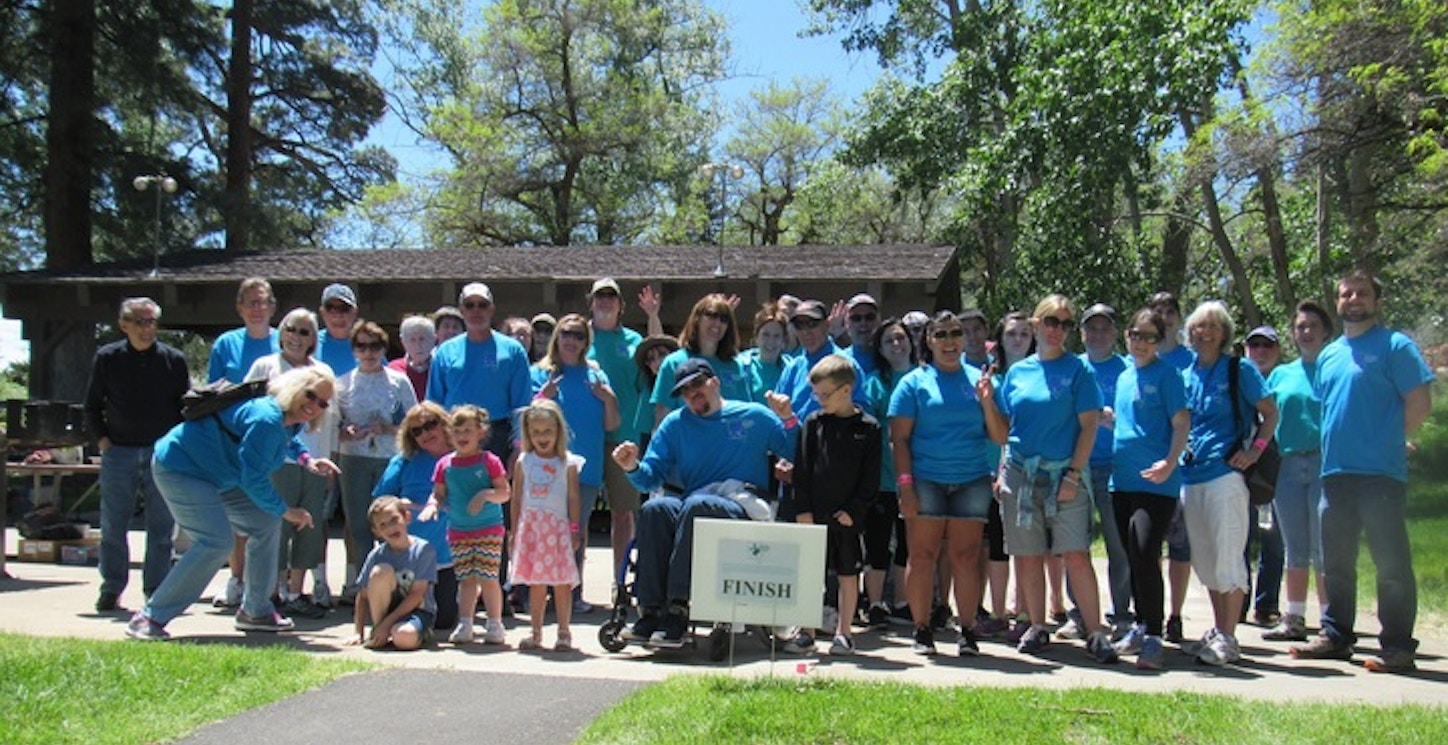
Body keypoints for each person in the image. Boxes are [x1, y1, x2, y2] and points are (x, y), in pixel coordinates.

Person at [125, 367, 341, 641]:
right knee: (216, 541)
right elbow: (254, 479)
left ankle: (256, 611)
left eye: (322, 403)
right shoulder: (267, 418)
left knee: (264, 521)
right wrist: (287, 510)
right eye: (310, 396)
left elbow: (287, 440)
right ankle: (150, 616)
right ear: (295, 388)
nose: (313, 407)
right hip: (182, 469)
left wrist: (307, 461)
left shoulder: (285, 419)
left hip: (221, 475)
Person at [1290, 269, 1434, 673]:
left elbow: (1420, 402)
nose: (1353, 299)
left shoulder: (1395, 346)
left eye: (1362, 293)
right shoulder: (1331, 353)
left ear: (1377, 300)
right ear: (1337, 303)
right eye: (1346, 293)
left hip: (1380, 475)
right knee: (1335, 561)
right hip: (1335, 473)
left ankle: (1398, 645)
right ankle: (1337, 636)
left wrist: (1387, 439)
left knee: (1390, 563)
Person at [611, 359, 798, 648]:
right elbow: (649, 479)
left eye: (697, 385)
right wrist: (632, 466)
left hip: (741, 505)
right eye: (685, 391)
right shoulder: (675, 424)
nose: (692, 394)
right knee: (655, 508)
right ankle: (650, 610)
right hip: (694, 505)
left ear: (715, 382)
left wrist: (788, 418)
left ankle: (678, 608)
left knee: (697, 505)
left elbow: (796, 451)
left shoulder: (755, 416)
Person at [986, 295, 1118, 663]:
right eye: (1050, 322)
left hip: (1065, 474)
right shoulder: (1017, 373)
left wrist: (1074, 475)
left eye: (1064, 324)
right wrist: (985, 401)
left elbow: (1089, 426)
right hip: (1021, 473)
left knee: (1075, 555)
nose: (1057, 330)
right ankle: (1038, 626)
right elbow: (1002, 434)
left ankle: (1095, 632)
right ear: (1036, 324)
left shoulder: (1079, 370)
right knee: (1027, 556)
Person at [889, 311, 1005, 657]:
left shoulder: (982, 380)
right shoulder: (913, 383)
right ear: (929, 340)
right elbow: (899, 440)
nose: (950, 341)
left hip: (971, 480)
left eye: (956, 333)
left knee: (966, 557)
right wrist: (906, 487)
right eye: (941, 334)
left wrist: (986, 401)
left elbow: (1000, 435)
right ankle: (922, 629)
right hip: (925, 480)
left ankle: (966, 629)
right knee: (922, 555)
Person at [1178, 300, 1278, 666]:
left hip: (1226, 475)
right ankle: (1219, 629)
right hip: (1192, 476)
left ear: (1224, 334)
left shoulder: (1240, 370)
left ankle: (1230, 636)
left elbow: (1270, 413)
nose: (1205, 333)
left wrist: (1254, 451)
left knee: (1228, 555)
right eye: (1199, 327)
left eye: (1213, 327)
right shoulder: (1186, 373)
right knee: (1205, 558)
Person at [84, 297, 190, 613]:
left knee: (161, 530)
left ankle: (156, 593)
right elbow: (92, 405)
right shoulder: (108, 358)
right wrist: (103, 441)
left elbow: (185, 408)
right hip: (120, 453)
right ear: (124, 324)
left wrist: (178, 448)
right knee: (113, 526)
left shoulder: (173, 360)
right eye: (140, 322)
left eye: (152, 322)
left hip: (162, 454)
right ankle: (111, 588)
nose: (147, 329)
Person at [1107, 308, 1190, 670]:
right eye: (1135, 335)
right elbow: (1130, 423)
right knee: (1131, 555)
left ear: (1160, 340)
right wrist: (1108, 420)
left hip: (1156, 482)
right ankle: (1141, 625)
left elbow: (1181, 421)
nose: (1141, 343)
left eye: (1149, 337)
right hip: (1120, 479)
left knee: (1144, 550)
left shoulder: (1168, 375)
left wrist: (1171, 461)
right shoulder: (1126, 375)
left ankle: (1155, 636)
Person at [244, 307, 336, 619]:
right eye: (292, 329)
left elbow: (324, 421)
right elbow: (248, 408)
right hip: (271, 462)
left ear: (313, 338)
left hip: (309, 460)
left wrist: (316, 460)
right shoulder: (265, 366)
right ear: (281, 332)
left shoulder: (322, 371)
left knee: (308, 526)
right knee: (275, 525)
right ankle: (271, 593)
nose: (297, 337)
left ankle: (297, 592)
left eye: (305, 331)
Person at [788, 355, 882, 656]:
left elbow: (870, 478)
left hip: (847, 517)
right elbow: (802, 470)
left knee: (847, 573)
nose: (819, 400)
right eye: (816, 394)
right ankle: (806, 629)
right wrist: (802, 510)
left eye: (825, 394)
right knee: (810, 572)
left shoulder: (868, 428)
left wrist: (854, 510)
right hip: (813, 513)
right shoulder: (814, 423)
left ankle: (844, 631)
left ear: (846, 389)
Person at [531, 313, 620, 613]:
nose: (572, 340)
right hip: (546, 467)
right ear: (558, 336)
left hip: (586, 469)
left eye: (579, 336)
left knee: (575, 530)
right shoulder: (541, 373)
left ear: (586, 341)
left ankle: (572, 591)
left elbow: (612, 425)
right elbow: (527, 421)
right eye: (567, 333)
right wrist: (544, 397)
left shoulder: (596, 375)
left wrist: (608, 399)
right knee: (544, 529)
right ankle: (539, 591)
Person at [206, 277, 280, 609]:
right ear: (239, 307)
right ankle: (236, 580)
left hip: (272, 439)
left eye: (263, 302)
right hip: (233, 440)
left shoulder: (285, 340)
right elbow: (214, 392)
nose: (257, 308)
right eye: (250, 302)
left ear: (273, 307)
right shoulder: (225, 344)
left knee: (270, 512)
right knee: (239, 515)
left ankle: (267, 587)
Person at [1260, 301, 1332, 643]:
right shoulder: (1281, 374)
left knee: (1324, 547)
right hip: (1286, 465)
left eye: (1312, 326)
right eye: (1300, 326)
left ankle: (1332, 622)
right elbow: (1264, 418)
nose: (1305, 332)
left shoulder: (1334, 369)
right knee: (1294, 546)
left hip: (1324, 462)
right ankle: (1295, 616)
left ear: (1325, 332)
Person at [336, 321, 419, 603]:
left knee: (391, 524)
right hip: (354, 459)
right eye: (362, 346)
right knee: (359, 526)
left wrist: (389, 429)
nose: (369, 352)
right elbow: (333, 426)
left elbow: (415, 424)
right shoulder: (344, 383)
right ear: (354, 350)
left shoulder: (398, 381)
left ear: (384, 348)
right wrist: (345, 432)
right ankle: (363, 588)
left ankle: (395, 587)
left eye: (375, 346)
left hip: (389, 459)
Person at [421, 404, 511, 644]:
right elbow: (438, 494)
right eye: (457, 431)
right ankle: (466, 624)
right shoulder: (445, 464)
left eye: (468, 431)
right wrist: (432, 505)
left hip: (489, 529)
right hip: (459, 530)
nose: (462, 437)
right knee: (466, 579)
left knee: (488, 577)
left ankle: (495, 624)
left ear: (480, 432)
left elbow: (504, 493)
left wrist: (484, 496)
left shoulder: (489, 461)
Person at [1071, 302, 1132, 639]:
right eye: (1091, 328)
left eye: (1104, 327)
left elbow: (1141, 420)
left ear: (1115, 333)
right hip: (1075, 467)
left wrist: (1114, 421)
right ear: (1081, 333)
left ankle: (1122, 612)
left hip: (1114, 467)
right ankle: (1078, 613)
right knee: (1074, 542)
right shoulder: (1073, 367)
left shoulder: (1127, 370)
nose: (1097, 334)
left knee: (1118, 544)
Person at [373, 401, 459, 632]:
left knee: (444, 623)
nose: (425, 434)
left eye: (430, 425)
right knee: (404, 614)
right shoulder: (404, 460)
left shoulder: (462, 459)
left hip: (447, 557)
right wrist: (400, 506)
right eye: (416, 431)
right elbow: (380, 502)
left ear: (444, 424)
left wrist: (420, 506)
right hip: (408, 556)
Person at [426, 282, 531, 462]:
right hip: (455, 435)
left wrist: (519, 448)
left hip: (498, 436)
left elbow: (522, 406)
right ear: (462, 310)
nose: (476, 311)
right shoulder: (445, 351)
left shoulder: (513, 351)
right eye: (470, 305)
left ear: (491, 309)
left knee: (498, 491)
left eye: (482, 305)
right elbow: (434, 404)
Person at [509, 399, 583, 651]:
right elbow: (517, 497)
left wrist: (575, 528)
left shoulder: (568, 462)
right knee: (536, 583)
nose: (542, 437)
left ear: (558, 431)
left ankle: (564, 631)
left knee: (561, 583)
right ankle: (536, 631)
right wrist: (514, 530)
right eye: (536, 432)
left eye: (548, 431)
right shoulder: (524, 461)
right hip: (532, 529)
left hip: (557, 530)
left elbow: (573, 497)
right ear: (528, 433)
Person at [586, 278, 645, 587]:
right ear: (591, 302)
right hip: (585, 438)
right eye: (600, 297)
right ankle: (571, 587)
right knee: (577, 516)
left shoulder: (634, 341)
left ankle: (619, 582)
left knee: (623, 514)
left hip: (625, 437)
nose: (606, 302)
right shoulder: (580, 336)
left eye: (612, 297)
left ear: (621, 305)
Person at [860, 318, 916, 629]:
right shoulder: (874, 382)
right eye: (888, 341)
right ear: (880, 349)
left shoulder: (924, 378)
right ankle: (876, 603)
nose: (896, 345)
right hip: (882, 476)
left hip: (918, 475)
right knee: (878, 542)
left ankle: (902, 602)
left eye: (900, 338)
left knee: (908, 543)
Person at [1148, 291, 1194, 643]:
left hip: (1184, 466)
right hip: (1146, 465)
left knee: (1180, 546)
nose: (1164, 317)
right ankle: (1151, 611)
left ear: (1179, 318)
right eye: (1157, 311)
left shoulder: (1190, 361)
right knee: (1149, 545)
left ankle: (1175, 615)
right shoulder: (1137, 361)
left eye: (1169, 311)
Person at [347, 496, 437, 650]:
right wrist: (358, 632)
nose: (391, 528)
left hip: (417, 611)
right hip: (386, 612)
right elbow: (363, 596)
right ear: (377, 532)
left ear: (407, 517)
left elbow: (416, 595)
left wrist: (387, 624)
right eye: (383, 525)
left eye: (395, 520)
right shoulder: (377, 555)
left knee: (403, 638)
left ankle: (418, 633)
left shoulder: (423, 550)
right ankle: (378, 631)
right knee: (380, 572)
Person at [1241, 325, 1285, 627]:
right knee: (1240, 539)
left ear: (1277, 351)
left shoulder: (1284, 381)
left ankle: (1266, 605)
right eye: (1254, 345)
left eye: (1267, 345)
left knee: (1274, 540)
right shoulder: (1240, 379)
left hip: (1276, 468)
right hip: (1242, 467)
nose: (1260, 351)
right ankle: (1238, 603)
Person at [650, 294, 753, 423]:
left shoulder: (735, 366)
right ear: (697, 319)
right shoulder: (673, 363)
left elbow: (745, 413)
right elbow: (662, 416)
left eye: (724, 319)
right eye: (711, 315)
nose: (717, 323)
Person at [743, 303, 789, 403]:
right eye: (765, 335)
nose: (771, 341)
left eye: (776, 336)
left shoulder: (792, 368)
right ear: (756, 337)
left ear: (783, 341)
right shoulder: (741, 365)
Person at [317, 283, 360, 377]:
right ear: (322, 312)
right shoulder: (310, 342)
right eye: (331, 308)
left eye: (344, 309)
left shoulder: (368, 345)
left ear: (355, 312)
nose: (338, 315)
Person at [389, 314, 436, 400]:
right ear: (403, 342)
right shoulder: (393, 369)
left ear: (433, 339)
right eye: (412, 340)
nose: (418, 345)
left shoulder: (440, 367)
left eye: (422, 339)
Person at [840, 293, 882, 378]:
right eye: (856, 318)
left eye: (869, 317)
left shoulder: (891, 356)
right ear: (846, 323)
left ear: (879, 321)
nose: (863, 323)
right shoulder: (839, 360)